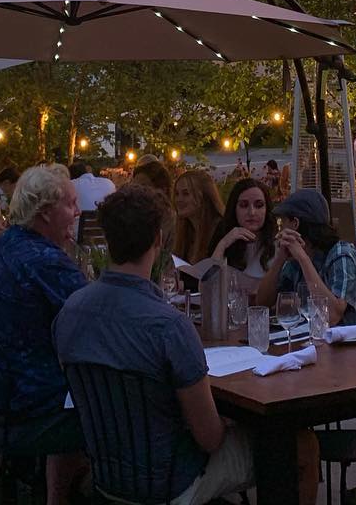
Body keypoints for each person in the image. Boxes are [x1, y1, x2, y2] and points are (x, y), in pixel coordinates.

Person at [55, 184, 320, 505]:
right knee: (300, 445)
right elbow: (210, 440)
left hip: (108, 474)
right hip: (171, 481)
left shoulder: (70, 312)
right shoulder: (168, 326)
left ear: (109, 240)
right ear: (157, 240)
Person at [0, 164, 87, 505]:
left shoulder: (0, 249)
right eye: (71, 204)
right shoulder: (44, 261)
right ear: (45, 214)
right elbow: (101, 320)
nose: (78, 212)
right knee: (119, 403)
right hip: (26, 412)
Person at [255, 189, 356, 327]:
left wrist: (303, 259)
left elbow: (332, 316)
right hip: (320, 341)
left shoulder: (342, 255)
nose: (280, 231)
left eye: (283, 223)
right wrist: (279, 260)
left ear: (295, 224)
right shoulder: (294, 261)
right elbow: (262, 304)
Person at [207, 178, 276, 293]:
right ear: (234, 209)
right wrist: (223, 244)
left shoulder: (277, 246)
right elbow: (206, 288)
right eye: (244, 205)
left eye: (259, 205)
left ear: (267, 209)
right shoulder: (226, 241)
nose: (252, 212)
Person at [171, 169, 224, 263]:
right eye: (176, 194)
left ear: (203, 196)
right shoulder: (185, 231)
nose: (179, 199)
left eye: (186, 193)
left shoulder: (220, 230)